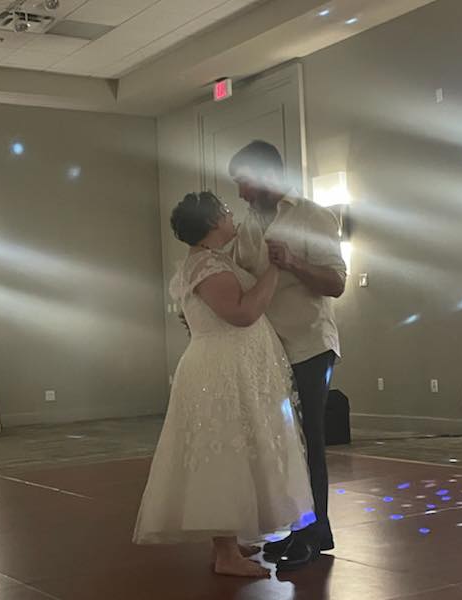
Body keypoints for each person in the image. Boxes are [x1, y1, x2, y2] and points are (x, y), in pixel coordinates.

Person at [133, 191, 314, 578]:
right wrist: (275, 271)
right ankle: (225, 554)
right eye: (227, 212)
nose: (233, 217)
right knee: (223, 453)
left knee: (236, 451)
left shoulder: (211, 262)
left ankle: (229, 540)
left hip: (231, 367)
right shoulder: (206, 266)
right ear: (214, 222)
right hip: (221, 372)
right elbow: (242, 313)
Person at [230, 140, 347, 572]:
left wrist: (295, 261)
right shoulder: (247, 225)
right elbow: (241, 278)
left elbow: (336, 283)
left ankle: (312, 535)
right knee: (281, 443)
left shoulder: (313, 216)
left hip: (310, 345)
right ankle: (302, 529)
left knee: (307, 440)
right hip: (267, 349)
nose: (240, 194)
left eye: (243, 183)